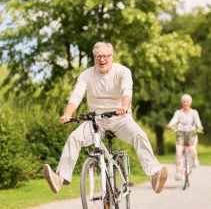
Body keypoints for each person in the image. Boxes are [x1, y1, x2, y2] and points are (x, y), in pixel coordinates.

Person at [43, 42, 168, 194]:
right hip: (96, 121)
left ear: (111, 57)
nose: (101, 60)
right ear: (94, 58)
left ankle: (154, 175)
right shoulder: (86, 75)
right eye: (98, 57)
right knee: (74, 138)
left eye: (105, 56)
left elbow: (127, 90)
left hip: (121, 119)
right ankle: (59, 178)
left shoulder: (122, 71)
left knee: (139, 135)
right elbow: (76, 95)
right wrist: (67, 114)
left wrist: (124, 106)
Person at [167, 94, 203, 180]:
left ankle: (195, 160)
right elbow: (174, 120)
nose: (185, 104)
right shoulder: (178, 112)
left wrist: (200, 127)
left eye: (187, 102)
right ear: (182, 103)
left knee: (192, 148)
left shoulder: (194, 112)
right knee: (179, 152)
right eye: (184, 102)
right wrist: (170, 124)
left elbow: (198, 122)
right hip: (181, 135)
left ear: (190, 103)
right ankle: (178, 172)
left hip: (191, 134)